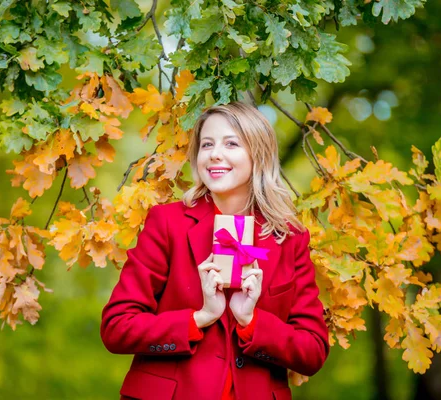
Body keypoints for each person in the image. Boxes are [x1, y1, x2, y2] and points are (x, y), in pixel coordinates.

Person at [100, 102, 330, 400]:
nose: (214, 154)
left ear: (257, 154)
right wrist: (200, 318)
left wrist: (251, 322)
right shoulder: (167, 223)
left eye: (231, 143)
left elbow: (312, 351)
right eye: (206, 144)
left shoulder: (289, 238)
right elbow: (117, 327)